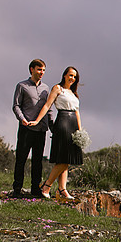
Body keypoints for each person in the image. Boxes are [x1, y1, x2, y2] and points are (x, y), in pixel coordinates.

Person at [27, 66, 84, 200]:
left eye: (74, 76)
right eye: (70, 75)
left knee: (67, 160)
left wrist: (80, 132)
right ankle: (46, 186)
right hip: (63, 123)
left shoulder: (73, 93)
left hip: (73, 125)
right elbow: (47, 105)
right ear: (64, 75)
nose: (72, 78)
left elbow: (77, 112)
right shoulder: (58, 88)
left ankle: (62, 189)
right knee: (63, 159)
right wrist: (37, 121)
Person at [11, 59, 52, 198]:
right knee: (21, 159)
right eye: (39, 69)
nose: (42, 72)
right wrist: (22, 119)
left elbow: (48, 108)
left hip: (41, 129)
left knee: (37, 161)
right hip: (26, 129)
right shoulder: (22, 86)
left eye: (44, 70)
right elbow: (16, 106)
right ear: (32, 69)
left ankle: (35, 189)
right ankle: (17, 188)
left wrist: (52, 126)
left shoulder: (46, 88)